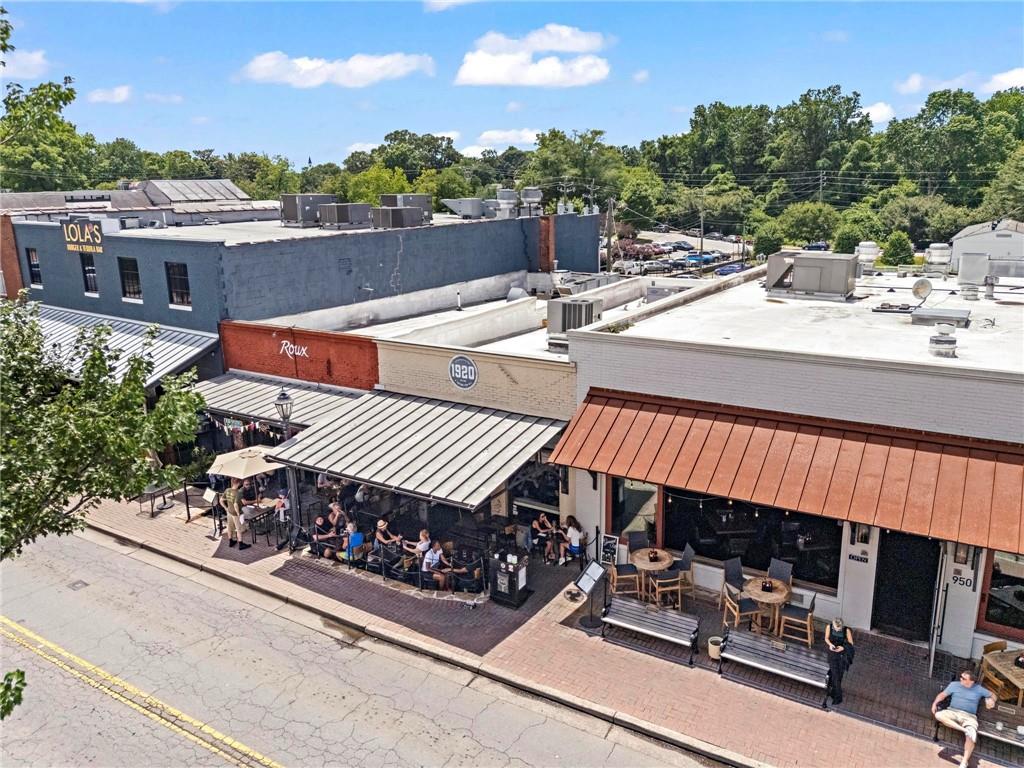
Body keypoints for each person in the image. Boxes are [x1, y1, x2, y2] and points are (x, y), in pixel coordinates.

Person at [932, 670, 996, 768]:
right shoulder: (954, 685)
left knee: (972, 736)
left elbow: (993, 695)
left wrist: (991, 700)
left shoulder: (978, 689)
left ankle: (964, 762)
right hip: (952, 712)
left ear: (971, 681)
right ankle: (964, 730)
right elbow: (942, 695)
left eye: (963, 678)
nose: (960, 679)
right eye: (961, 677)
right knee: (938, 715)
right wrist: (934, 703)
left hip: (969, 717)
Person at [824, 617, 854, 705]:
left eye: (839, 629)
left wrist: (843, 647)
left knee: (839, 675)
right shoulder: (829, 627)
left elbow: (851, 643)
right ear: (833, 626)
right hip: (832, 653)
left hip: (842, 653)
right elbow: (826, 638)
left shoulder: (846, 630)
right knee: (835, 674)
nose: (837, 631)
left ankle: (833, 692)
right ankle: (838, 697)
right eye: (836, 629)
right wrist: (830, 645)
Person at [221, 479, 250, 550]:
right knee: (238, 528)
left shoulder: (227, 490)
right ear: (238, 483)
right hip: (235, 513)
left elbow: (221, 500)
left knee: (229, 527)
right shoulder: (238, 493)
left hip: (229, 512)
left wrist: (225, 508)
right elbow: (236, 504)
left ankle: (231, 541)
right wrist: (238, 513)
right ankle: (241, 544)